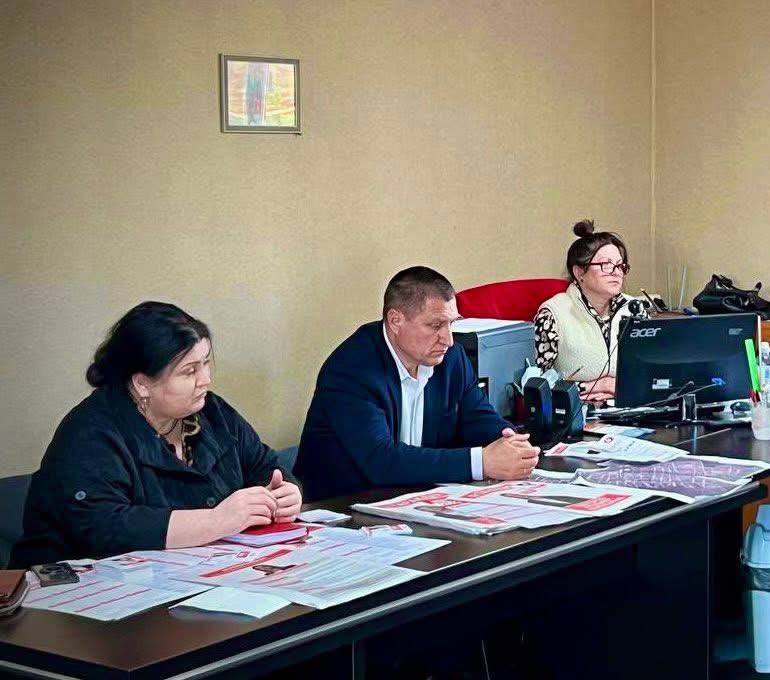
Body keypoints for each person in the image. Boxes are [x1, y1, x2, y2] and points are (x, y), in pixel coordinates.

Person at [11, 302, 300, 567]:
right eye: (189, 371)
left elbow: (264, 466)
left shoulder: (213, 413)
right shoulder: (90, 433)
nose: (206, 380)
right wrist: (216, 520)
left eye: (205, 363)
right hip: (77, 590)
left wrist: (284, 494)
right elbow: (104, 528)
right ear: (142, 384)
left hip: (197, 574)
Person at [295, 266, 540, 501]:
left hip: (419, 500)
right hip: (342, 508)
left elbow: (478, 417)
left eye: (451, 323)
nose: (448, 339)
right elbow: (380, 461)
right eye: (435, 325)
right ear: (395, 321)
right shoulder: (351, 369)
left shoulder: (451, 358)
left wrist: (510, 443)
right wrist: (481, 462)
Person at [533, 219, 633, 403]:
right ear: (579, 273)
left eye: (620, 265)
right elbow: (536, 384)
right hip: (575, 410)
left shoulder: (634, 309)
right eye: (606, 265)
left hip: (631, 408)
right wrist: (599, 385)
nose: (616, 272)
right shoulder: (552, 314)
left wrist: (620, 386)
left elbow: (652, 375)